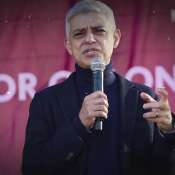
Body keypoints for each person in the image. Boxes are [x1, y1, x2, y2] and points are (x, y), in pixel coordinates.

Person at [22, 1, 175, 175]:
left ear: (116, 38)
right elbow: (31, 168)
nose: (89, 39)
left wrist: (169, 130)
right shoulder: (46, 102)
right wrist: (78, 125)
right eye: (79, 34)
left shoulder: (144, 98)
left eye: (99, 31)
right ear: (69, 46)